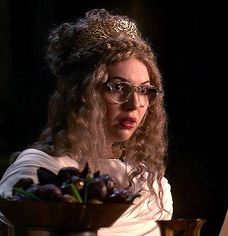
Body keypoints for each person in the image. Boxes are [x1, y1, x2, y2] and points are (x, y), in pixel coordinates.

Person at [0, 9, 173, 235]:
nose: (134, 104)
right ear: (82, 94)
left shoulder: (152, 187)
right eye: (118, 87)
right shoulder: (39, 172)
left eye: (144, 90)